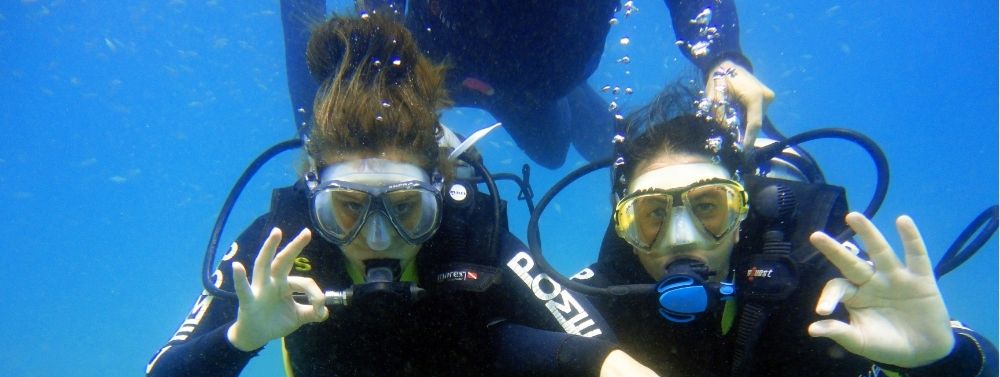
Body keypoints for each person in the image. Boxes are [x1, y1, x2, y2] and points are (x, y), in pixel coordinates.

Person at [145, 14, 697, 377]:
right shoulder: (283, 243)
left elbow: (594, 352)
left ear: (441, 192)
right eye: (348, 209)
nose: (378, 237)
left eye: (407, 208)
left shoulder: (468, 232)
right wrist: (244, 334)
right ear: (315, 197)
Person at [573, 92, 998, 377]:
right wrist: (589, 357)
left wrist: (938, 358)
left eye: (708, 206)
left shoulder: (815, 264)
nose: (681, 239)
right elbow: (525, 335)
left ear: (742, 213)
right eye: (652, 214)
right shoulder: (609, 282)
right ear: (625, 226)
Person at [280, 0, 775, 168]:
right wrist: (322, 130)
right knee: (395, 179)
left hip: (545, 82)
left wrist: (721, 60)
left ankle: (561, 102)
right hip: (434, 71)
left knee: (554, 151)